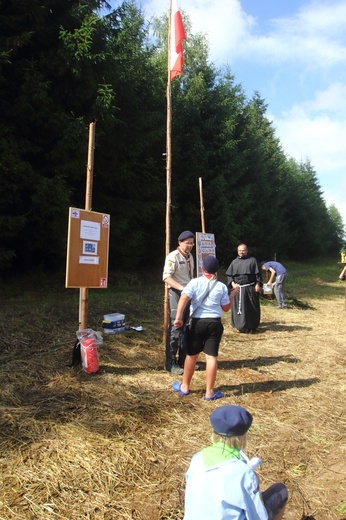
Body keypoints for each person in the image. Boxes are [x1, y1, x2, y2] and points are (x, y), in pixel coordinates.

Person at [183, 404, 288, 520]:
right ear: (243, 436)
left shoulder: (197, 459)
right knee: (281, 491)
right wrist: (255, 486)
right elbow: (259, 517)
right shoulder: (243, 473)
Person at [171, 255, 239, 400]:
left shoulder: (194, 282)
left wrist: (178, 318)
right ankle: (209, 392)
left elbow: (184, 298)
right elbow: (226, 308)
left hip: (197, 323)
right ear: (217, 271)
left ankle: (185, 387)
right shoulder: (220, 286)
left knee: (191, 355)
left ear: (202, 268)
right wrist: (232, 294)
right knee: (211, 357)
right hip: (214, 323)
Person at [163, 230, 195, 375]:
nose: (190, 246)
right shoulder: (173, 257)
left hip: (188, 295)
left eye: (192, 243)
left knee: (187, 328)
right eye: (187, 243)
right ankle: (170, 362)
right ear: (179, 242)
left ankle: (184, 360)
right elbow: (166, 278)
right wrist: (182, 288)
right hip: (177, 293)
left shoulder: (190, 257)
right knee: (176, 326)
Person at [226, 244, 261, 333]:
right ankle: (240, 326)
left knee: (252, 307)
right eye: (240, 251)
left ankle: (253, 325)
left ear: (247, 251)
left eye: (243, 250)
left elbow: (258, 275)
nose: (241, 252)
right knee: (239, 308)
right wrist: (233, 284)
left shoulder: (253, 261)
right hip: (238, 288)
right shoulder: (234, 262)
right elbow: (230, 276)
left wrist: (257, 284)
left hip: (250, 288)